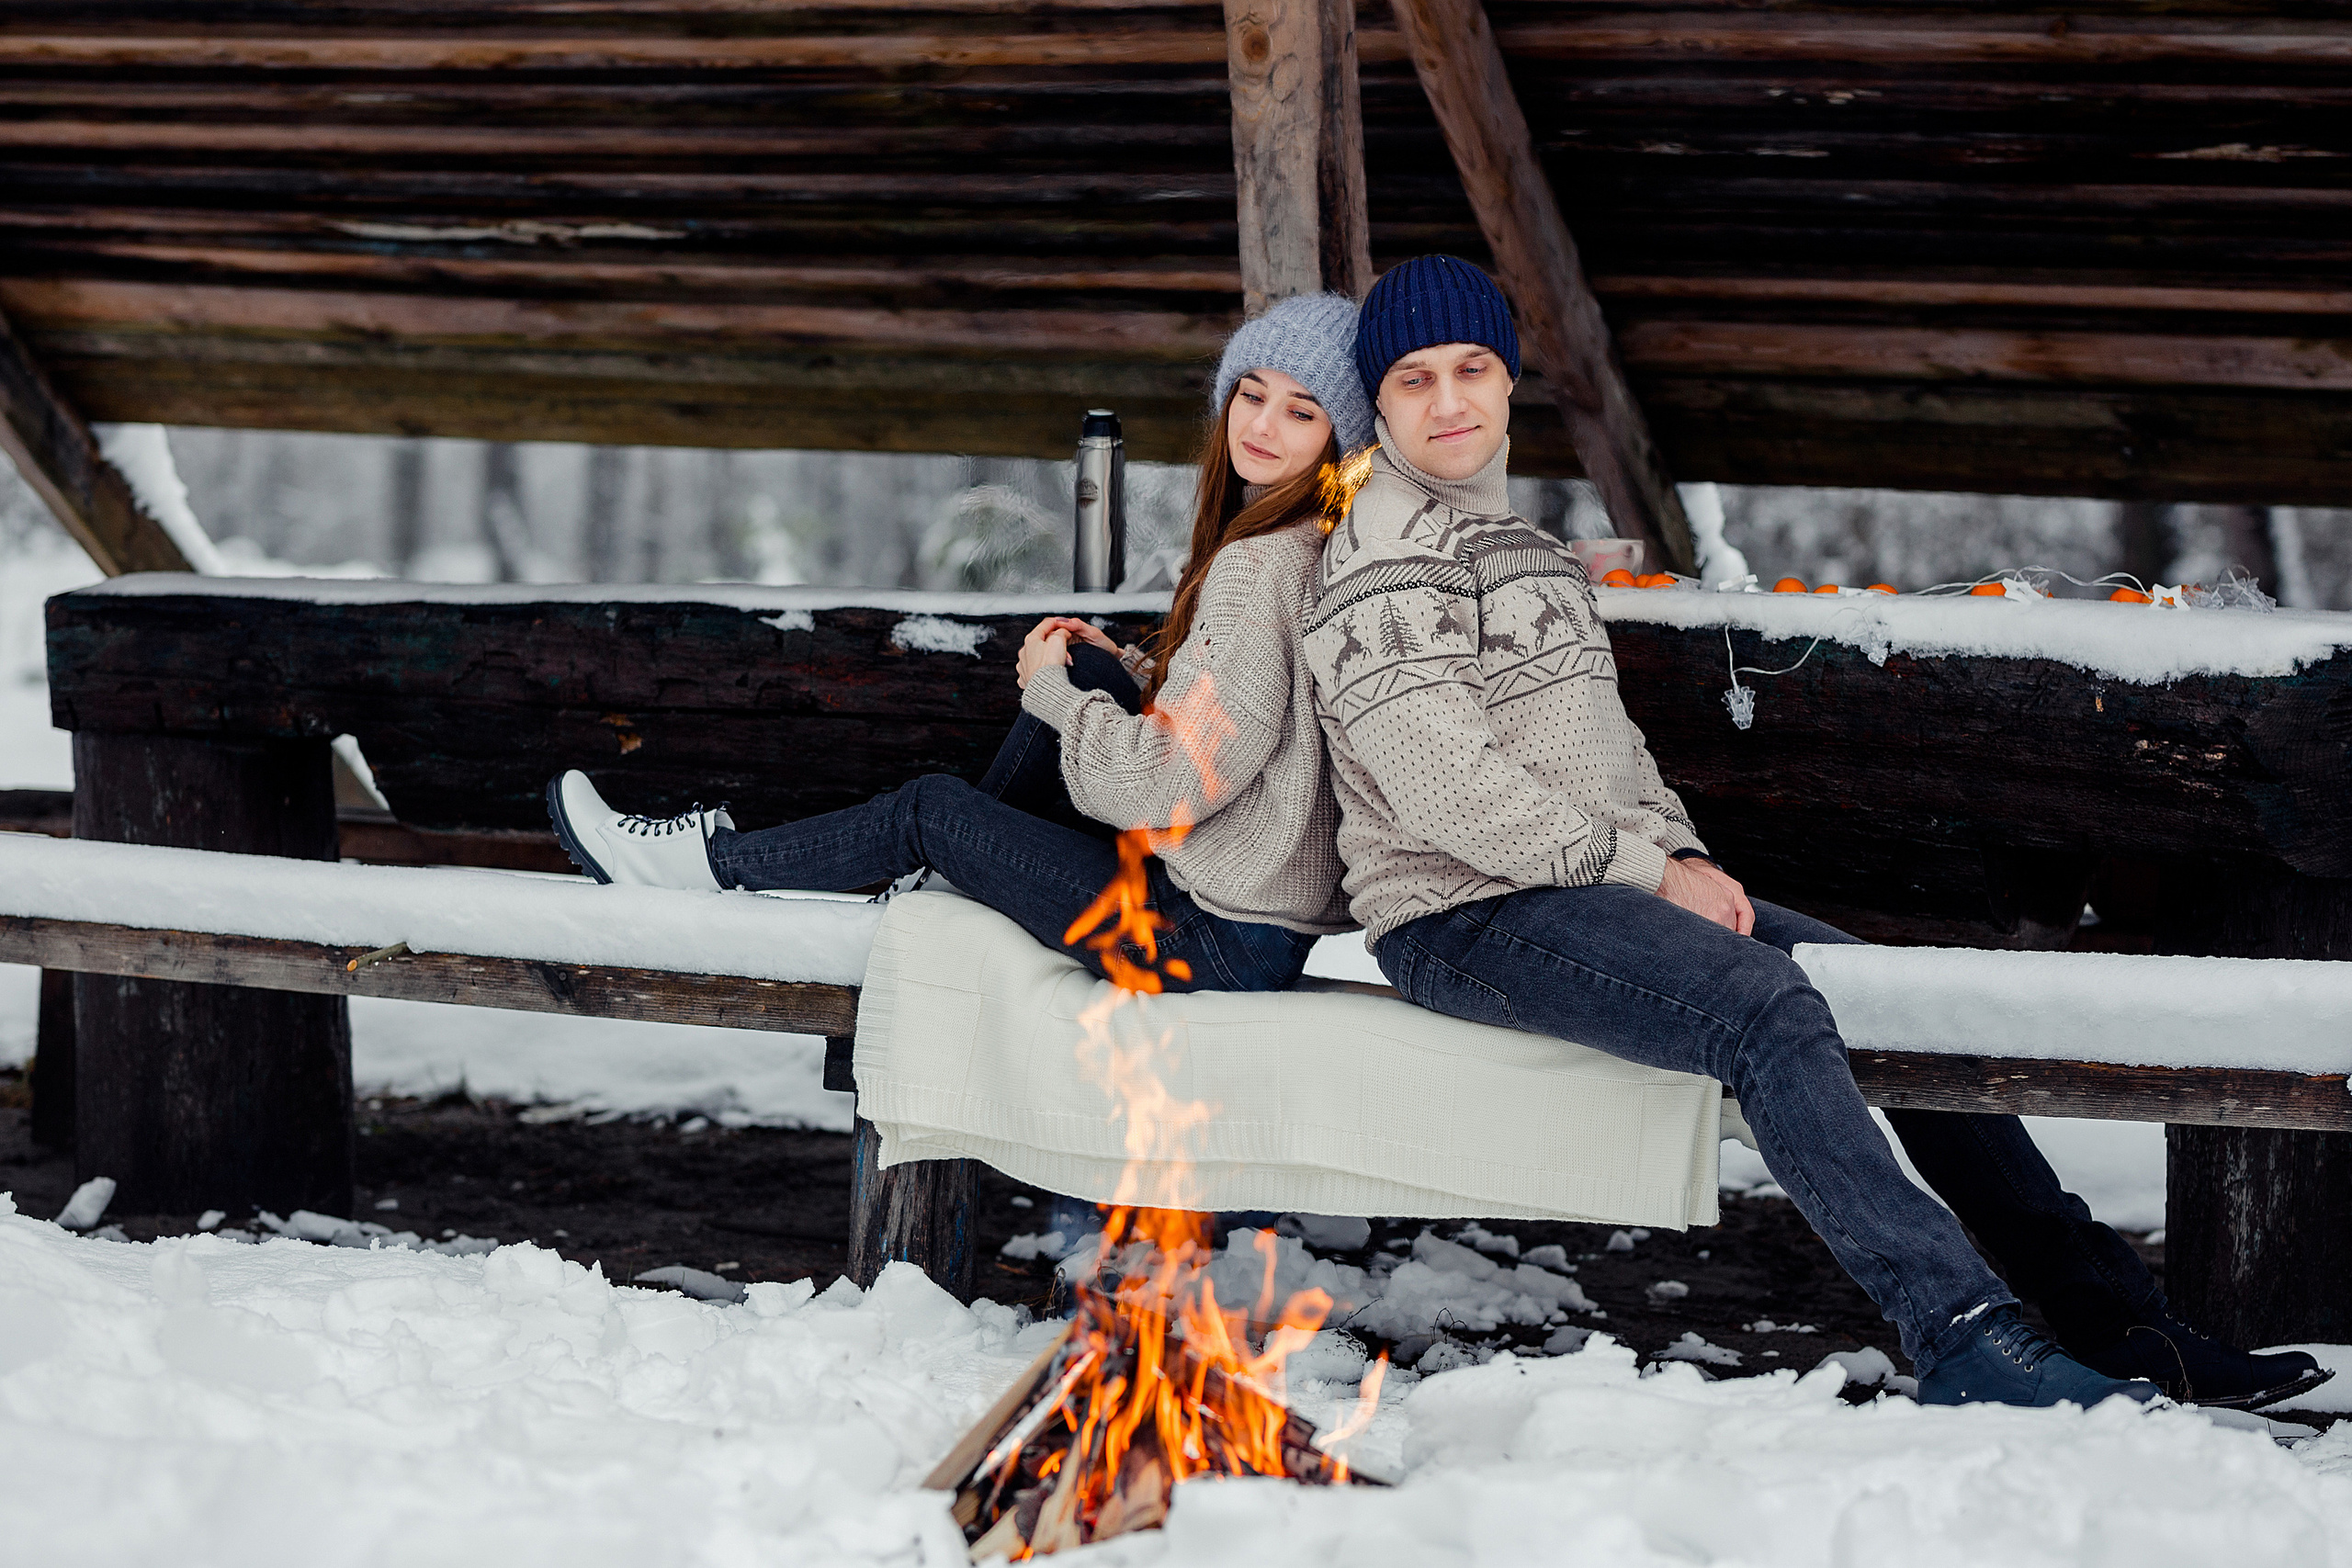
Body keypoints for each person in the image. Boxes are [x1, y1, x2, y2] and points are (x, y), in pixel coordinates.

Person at [1305, 254, 2326, 1410]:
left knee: (1889, 988)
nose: (1448, 401)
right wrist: (1648, 870)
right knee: (1768, 1009)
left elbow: (1610, 754)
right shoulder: (1381, 565)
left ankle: (2116, 1318)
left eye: (1472, 369)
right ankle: (1962, 1335)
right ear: (1378, 408)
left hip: (1581, 884)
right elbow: (1448, 790)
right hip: (1460, 912)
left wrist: (1680, 855)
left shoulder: (1528, 555)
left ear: (1508, 381)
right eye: (1414, 379)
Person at [546, 289, 1366, 1000]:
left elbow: (1177, 782)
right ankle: (946, 877)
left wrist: (1052, 691)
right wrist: (1133, 672)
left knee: (931, 809)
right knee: (1086, 667)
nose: (1261, 425)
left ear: (1340, 442)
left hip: (1202, 941)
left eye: (1301, 411)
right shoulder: (1310, 550)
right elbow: (1258, 710)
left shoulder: (1257, 566)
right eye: (1251, 395)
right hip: (1252, 931)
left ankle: (703, 865)